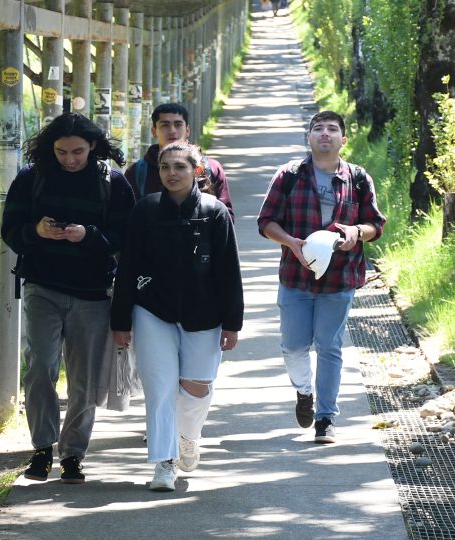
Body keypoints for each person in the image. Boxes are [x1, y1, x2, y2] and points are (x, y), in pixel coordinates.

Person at [1, 112, 135, 483]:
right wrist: (37, 231)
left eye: (77, 151)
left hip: (93, 294)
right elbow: (10, 231)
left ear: (93, 146)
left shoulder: (113, 183)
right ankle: (42, 449)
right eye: (61, 151)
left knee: (84, 380)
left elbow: (124, 238)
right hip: (42, 286)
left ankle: (73, 454)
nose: (70, 159)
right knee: (40, 366)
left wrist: (88, 236)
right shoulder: (33, 178)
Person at [111, 141, 244, 491]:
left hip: (205, 313)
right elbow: (127, 267)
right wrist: (120, 320)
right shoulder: (145, 210)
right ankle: (164, 462)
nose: (172, 173)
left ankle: (188, 435)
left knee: (197, 387)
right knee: (160, 388)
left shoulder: (215, 213)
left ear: (197, 171)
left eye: (180, 167)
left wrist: (232, 322)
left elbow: (229, 271)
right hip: (152, 310)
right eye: (165, 167)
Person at [257, 110, 386, 444]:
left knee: (329, 346)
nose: (324, 134)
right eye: (318, 129)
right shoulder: (288, 175)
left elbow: (376, 225)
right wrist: (291, 243)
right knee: (294, 345)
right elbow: (266, 221)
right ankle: (304, 392)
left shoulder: (358, 178)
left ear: (343, 139)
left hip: (339, 279)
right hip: (295, 276)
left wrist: (357, 232)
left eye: (332, 129)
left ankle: (326, 417)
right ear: (309, 138)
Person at [124, 102, 234, 221]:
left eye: (178, 124)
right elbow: (128, 219)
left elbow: (226, 217)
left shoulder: (211, 168)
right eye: (165, 125)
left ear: (187, 130)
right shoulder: (137, 172)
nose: (172, 130)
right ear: (154, 131)